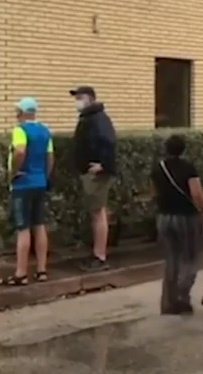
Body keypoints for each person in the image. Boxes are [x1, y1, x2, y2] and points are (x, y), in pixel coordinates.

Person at [152, 134, 203, 315]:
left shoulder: (158, 168)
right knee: (189, 257)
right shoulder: (188, 168)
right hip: (186, 217)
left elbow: (155, 192)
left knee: (171, 259)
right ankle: (182, 296)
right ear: (183, 149)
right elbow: (196, 193)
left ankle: (168, 303)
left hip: (164, 217)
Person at [0, 98, 54, 286]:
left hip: (23, 184)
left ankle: (21, 273)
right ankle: (41, 270)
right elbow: (50, 157)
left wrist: (15, 172)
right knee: (39, 225)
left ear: (21, 112)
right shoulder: (45, 131)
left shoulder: (20, 131)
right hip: (40, 182)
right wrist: (45, 176)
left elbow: (20, 151)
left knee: (23, 228)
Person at [71, 86, 117, 272]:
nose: (77, 101)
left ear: (90, 98)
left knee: (98, 212)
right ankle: (97, 253)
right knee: (95, 212)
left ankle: (100, 256)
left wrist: (103, 165)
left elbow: (109, 142)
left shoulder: (97, 119)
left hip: (96, 174)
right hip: (90, 171)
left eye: (80, 97)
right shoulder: (90, 118)